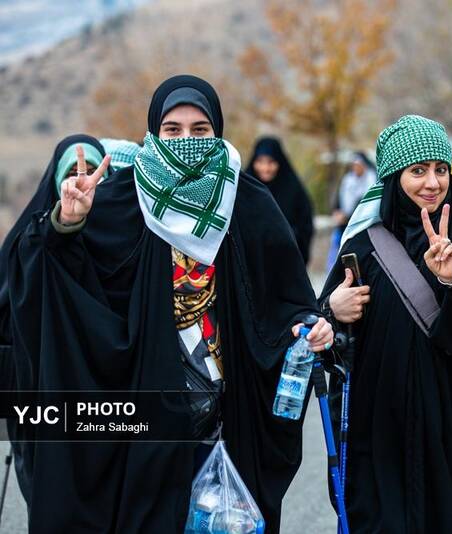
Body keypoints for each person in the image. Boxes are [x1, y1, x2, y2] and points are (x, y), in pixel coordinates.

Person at [6, 75, 333, 533]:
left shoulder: (247, 201)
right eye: (172, 130)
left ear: (217, 131)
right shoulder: (121, 198)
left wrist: (307, 324)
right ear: (153, 133)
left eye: (200, 130)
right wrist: (67, 223)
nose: (186, 141)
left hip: (228, 410)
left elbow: (286, 295)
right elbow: (56, 277)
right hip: (146, 411)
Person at [319, 115, 452, 533]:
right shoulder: (363, 244)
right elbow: (321, 331)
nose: (433, 183)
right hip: (379, 423)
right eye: (418, 170)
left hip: (451, 418)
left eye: (441, 169)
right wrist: (333, 307)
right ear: (393, 177)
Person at [0, 134, 112, 505]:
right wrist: (64, 223)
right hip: (43, 389)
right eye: (72, 173)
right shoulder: (32, 238)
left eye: (94, 172)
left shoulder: (127, 238)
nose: (82, 181)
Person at [246, 136, 315, 265]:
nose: (265, 168)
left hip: (285, 262)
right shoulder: (245, 188)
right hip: (251, 263)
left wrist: (287, 236)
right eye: (260, 162)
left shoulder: (293, 189)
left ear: (279, 162)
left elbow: (305, 225)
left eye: (271, 162)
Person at [327, 152, 377, 271]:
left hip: (363, 226)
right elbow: (339, 199)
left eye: (358, 165)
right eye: (354, 165)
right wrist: (337, 211)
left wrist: (347, 216)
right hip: (343, 224)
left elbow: (365, 205)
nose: (356, 168)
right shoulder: (348, 180)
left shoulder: (371, 180)